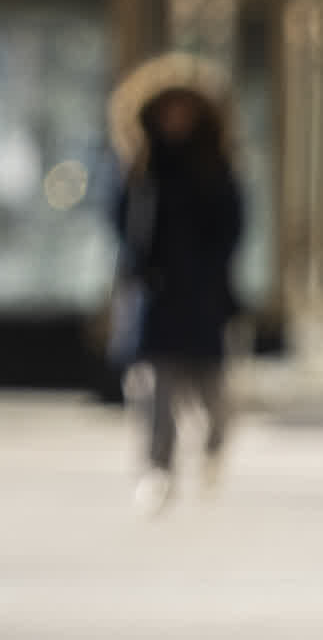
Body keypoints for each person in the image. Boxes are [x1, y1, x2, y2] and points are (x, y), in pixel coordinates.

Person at [109, 55, 246, 514]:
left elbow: (232, 228)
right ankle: (158, 470)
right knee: (154, 394)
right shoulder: (141, 168)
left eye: (184, 110)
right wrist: (136, 272)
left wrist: (214, 275)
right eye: (168, 110)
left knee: (214, 398)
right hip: (155, 298)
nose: (176, 120)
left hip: (204, 298)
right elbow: (120, 224)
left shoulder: (215, 167)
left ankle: (212, 451)